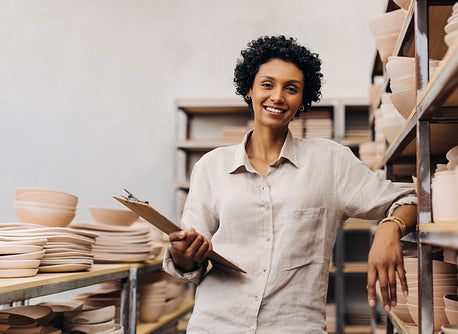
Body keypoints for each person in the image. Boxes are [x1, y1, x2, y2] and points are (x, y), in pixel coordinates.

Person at [163, 35, 417, 333]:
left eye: (291, 89)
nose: (278, 97)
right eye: (267, 85)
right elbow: (189, 266)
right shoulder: (211, 167)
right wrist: (183, 255)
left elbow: (409, 199)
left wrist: (390, 228)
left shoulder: (330, 162)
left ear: (303, 100)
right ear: (250, 89)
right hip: (215, 324)